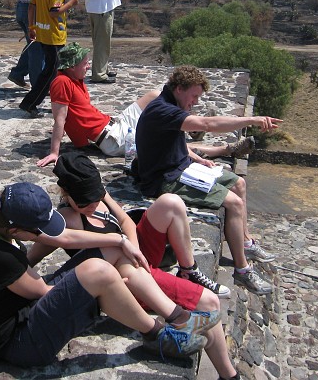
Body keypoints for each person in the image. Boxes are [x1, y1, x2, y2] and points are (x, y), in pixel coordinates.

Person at [27, 153, 241, 380]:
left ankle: (189, 271)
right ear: (67, 195)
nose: (91, 205)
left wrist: (136, 252)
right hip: (125, 279)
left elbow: (127, 221)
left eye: (95, 197)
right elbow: (34, 256)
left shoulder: (102, 197)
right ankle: (229, 376)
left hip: (136, 260)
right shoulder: (65, 219)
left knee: (171, 201)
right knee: (209, 302)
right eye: (83, 202)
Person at [0, 181, 209, 366]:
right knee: (98, 272)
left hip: (26, 307)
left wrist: (119, 240)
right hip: (22, 342)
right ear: (15, 231)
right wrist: (104, 287)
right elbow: (43, 292)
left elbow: (63, 237)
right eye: (37, 231)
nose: (43, 234)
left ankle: (177, 316)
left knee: (110, 251)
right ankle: (157, 335)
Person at [136, 66, 282, 296]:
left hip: (181, 166)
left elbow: (168, 141)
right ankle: (242, 271)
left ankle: (244, 243)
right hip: (164, 179)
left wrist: (194, 157)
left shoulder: (171, 103)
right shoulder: (163, 109)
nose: (195, 102)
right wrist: (251, 120)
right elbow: (207, 124)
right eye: (193, 96)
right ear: (179, 88)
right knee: (233, 203)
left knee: (238, 184)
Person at [36, 43, 255, 168]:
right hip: (113, 139)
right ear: (71, 66)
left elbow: (79, 115)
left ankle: (189, 122)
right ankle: (225, 150)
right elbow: (60, 119)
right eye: (84, 63)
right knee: (168, 140)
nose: (88, 66)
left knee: (153, 95)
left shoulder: (74, 80)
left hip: (115, 125)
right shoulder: (62, 82)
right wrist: (55, 152)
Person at [18, 0, 79, 117]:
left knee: (53, 70)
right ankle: (30, 103)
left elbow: (31, 7)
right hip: (54, 36)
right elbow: (55, 12)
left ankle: (60, 101)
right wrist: (71, 3)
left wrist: (32, 26)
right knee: (50, 72)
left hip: (42, 32)